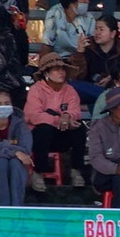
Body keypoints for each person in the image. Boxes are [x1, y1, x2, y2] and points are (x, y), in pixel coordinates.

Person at [26, 53, 86, 187]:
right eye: (56, 69)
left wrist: (67, 117)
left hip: (62, 134)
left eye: (62, 69)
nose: (61, 73)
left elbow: (75, 110)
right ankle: (38, 172)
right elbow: (33, 115)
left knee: (79, 128)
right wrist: (57, 119)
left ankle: (76, 170)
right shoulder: (36, 90)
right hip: (39, 137)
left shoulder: (70, 90)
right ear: (46, 73)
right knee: (44, 128)